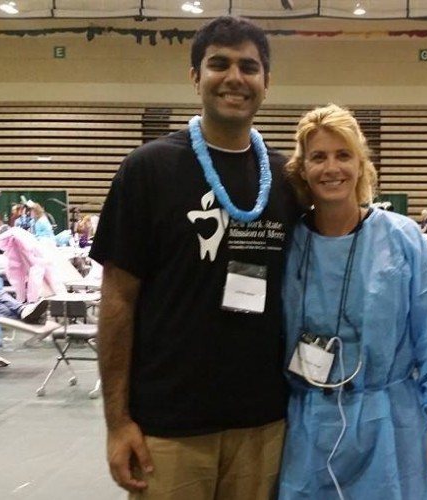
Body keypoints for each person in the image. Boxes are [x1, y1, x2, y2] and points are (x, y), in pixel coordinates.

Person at [90, 16, 299, 499]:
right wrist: (117, 422)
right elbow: (118, 300)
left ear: (267, 81)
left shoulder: (289, 179)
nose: (234, 78)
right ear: (194, 77)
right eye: (218, 64)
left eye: (249, 66)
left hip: (262, 423)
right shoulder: (148, 170)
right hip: (169, 425)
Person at [279, 104, 427, 499]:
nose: (332, 168)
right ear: (303, 168)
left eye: (343, 155)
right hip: (308, 425)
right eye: (319, 157)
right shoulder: (289, 244)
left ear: (361, 165)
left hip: (388, 424)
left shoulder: (401, 239)